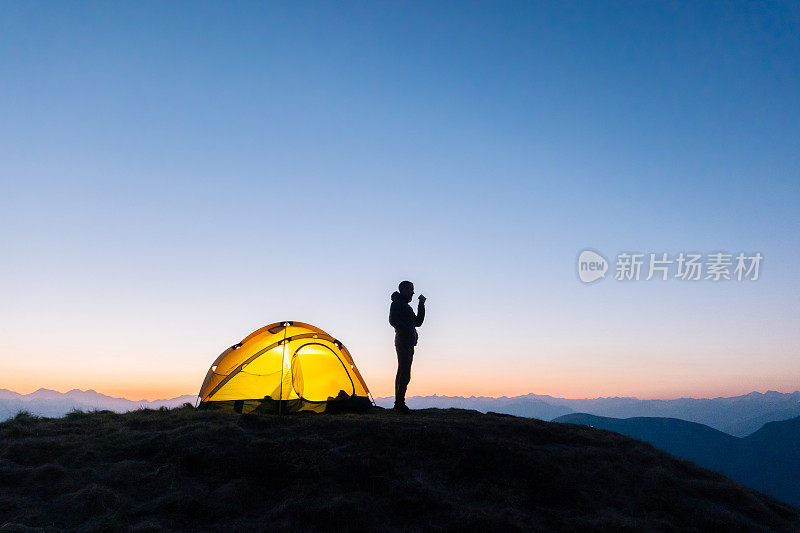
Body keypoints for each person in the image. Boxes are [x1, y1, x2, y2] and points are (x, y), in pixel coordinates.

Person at [389, 280, 426, 413]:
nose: (413, 292)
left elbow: (418, 322)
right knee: (403, 371)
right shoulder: (397, 304)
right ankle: (399, 404)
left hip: (408, 342)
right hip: (403, 341)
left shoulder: (405, 306)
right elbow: (392, 320)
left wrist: (421, 304)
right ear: (404, 290)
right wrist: (406, 332)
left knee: (405, 371)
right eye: (411, 289)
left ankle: (399, 403)